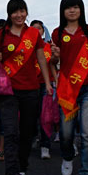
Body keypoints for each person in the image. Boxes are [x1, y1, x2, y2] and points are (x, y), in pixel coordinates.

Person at [0, 0, 53, 175]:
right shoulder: (1, 34)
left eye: (22, 11)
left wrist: (47, 82)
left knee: (28, 132)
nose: (19, 15)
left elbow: (41, 59)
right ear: (9, 14)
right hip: (8, 90)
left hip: (31, 89)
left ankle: (22, 167)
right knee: (10, 132)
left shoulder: (33, 34)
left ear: (26, 12)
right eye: (15, 12)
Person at [51, 0, 88, 175]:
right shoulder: (57, 33)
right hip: (67, 89)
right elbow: (54, 61)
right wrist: (54, 57)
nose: (72, 11)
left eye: (75, 7)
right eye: (68, 8)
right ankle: (67, 155)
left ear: (81, 9)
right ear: (62, 11)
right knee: (66, 133)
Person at [31, 20, 56, 160]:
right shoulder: (25, 45)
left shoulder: (48, 46)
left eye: (39, 28)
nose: (36, 31)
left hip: (45, 85)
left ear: (43, 31)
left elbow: (53, 65)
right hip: (29, 85)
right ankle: (33, 137)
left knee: (45, 116)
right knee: (31, 115)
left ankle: (45, 145)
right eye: (33, 28)